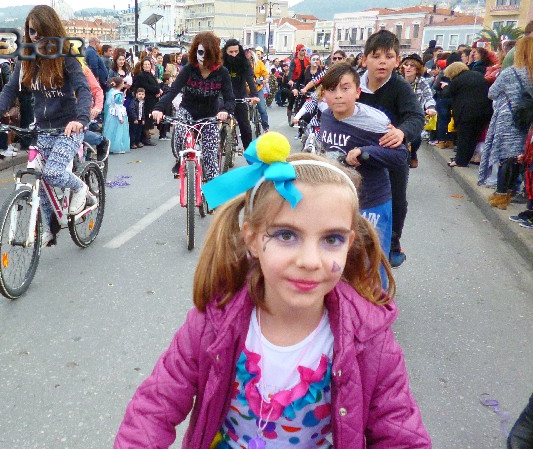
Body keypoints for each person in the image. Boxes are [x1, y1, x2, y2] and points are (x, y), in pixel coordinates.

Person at [115, 133, 431, 448]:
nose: (310, 261)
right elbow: (153, 409)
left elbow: (400, 433)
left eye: (331, 239)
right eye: (286, 235)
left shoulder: (369, 337)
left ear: (349, 244)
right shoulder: (213, 322)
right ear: (252, 239)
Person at [0, 5, 95, 244]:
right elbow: (10, 89)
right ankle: (50, 229)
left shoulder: (66, 55)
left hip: (68, 127)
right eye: (32, 32)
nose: (37, 37)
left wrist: (80, 120)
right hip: (43, 129)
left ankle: (80, 188)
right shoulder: (26, 58)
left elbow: (83, 89)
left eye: (42, 32)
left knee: (53, 172)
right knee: (40, 179)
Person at [319, 63, 408, 286]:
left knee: (372, 265)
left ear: (358, 92)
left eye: (345, 88)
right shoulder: (326, 116)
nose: (338, 95)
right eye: (331, 89)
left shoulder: (374, 121)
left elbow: (400, 156)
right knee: (339, 261)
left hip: (372, 203)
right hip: (336, 202)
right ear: (324, 94)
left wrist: (366, 153)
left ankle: (377, 304)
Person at [356, 30, 425, 268]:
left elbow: (416, 116)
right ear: (364, 59)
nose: (382, 62)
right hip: (357, 154)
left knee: (397, 200)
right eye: (376, 56)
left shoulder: (400, 87)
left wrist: (402, 132)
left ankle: (393, 243)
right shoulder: (353, 84)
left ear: (397, 61)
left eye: (389, 56)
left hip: (390, 154)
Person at [152, 31, 235, 179]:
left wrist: (224, 110)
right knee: (179, 136)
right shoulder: (189, 69)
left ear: (214, 54)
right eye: (200, 52)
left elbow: (229, 98)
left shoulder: (222, 72)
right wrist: (158, 108)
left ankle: (213, 191)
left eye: (207, 53)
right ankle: (180, 160)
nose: (203, 57)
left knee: (210, 159)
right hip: (188, 110)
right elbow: (172, 91)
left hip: (210, 115)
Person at [480, 37, 533, 209]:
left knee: (506, 157)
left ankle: (501, 193)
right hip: (529, 119)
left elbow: (492, 92)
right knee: (519, 156)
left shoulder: (510, 72)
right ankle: (512, 191)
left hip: (509, 117)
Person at [440, 62, 492, 168]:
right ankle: (467, 158)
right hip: (484, 112)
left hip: (466, 113)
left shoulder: (458, 79)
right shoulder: (478, 75)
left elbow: (446, 94)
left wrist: (445, 86)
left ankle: (460, 161)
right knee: (474, 137)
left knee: (463, 137)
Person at [399, 54, 436, 168]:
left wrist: (431, 107)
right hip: (399, 114)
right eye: (406, 65)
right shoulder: (398, 81)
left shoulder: (422, 82)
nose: (408, 68)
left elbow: (428, 96)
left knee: (416, 138)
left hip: (415, 115)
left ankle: (413, 153)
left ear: (418, 69)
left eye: (412, 66)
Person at [222, 39, 260, 149]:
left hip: (239, 96)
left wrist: (255, 95)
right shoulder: (220, 62)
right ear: (225, 51)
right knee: (215, 124)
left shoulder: (244, 62)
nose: (234, 54)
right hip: (223, 96)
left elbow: (250, 79)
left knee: (245, 127)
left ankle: (249, 153)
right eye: (231, 52)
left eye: (236, 51)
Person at [131, 57, 162, 146]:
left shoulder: (150, 74)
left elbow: (155, 84)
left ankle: (145, 137)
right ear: (142, 66)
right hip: (147, 99)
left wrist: (158, 90)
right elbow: (146, 87)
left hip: (152, 99)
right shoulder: (141, 75)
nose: (147, 66)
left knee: (149, 118)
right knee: (146, 119)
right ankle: (145, 138)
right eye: (145, 64)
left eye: (148, 64)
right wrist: (157, 90)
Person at [103, 77, 130, 154]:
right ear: (120, 84)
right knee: (119, 131)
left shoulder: (112, 92)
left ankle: (110, 146)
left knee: (111, 130)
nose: (123, 84)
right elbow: (117, 106)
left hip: (112, 113)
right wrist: (120, 118)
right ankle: (117, 147)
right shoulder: (118, 94)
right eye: (123, 83)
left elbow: (110, 103)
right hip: (118, 113)